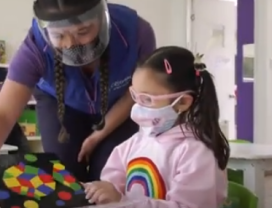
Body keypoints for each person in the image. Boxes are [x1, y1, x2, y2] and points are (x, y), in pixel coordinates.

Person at [0, 0, 156, 202]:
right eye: (59, 36)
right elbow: (2, 114)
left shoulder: (137, 33)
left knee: (110, 179)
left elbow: (138, 93)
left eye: (83, 31)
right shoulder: (34, 50)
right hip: (60, 105)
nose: (71, 44)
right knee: (63, 181)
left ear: (102, 17)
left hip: (120, 106)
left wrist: (99, 134)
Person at [83, 46, 230, 208]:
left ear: (182, 102)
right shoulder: (135, 143)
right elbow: (111, 186)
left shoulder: (196, 152)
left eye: (146, 99)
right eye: (135, 96)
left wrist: (122, 201)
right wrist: (98, 192)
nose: (137, 105)